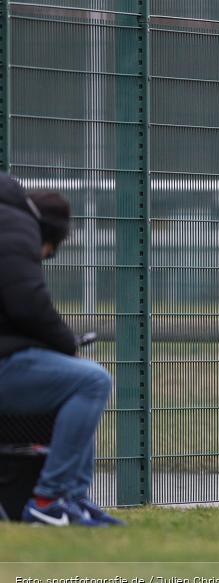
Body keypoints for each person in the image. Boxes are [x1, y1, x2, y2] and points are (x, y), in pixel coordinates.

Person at [0, 175, 122, 526]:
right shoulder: (17, 224)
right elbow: (26, 303)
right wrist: (66, 343)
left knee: (78, 379)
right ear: (48, 235)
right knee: (91, 380)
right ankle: (51, 498)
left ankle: (73, 498)